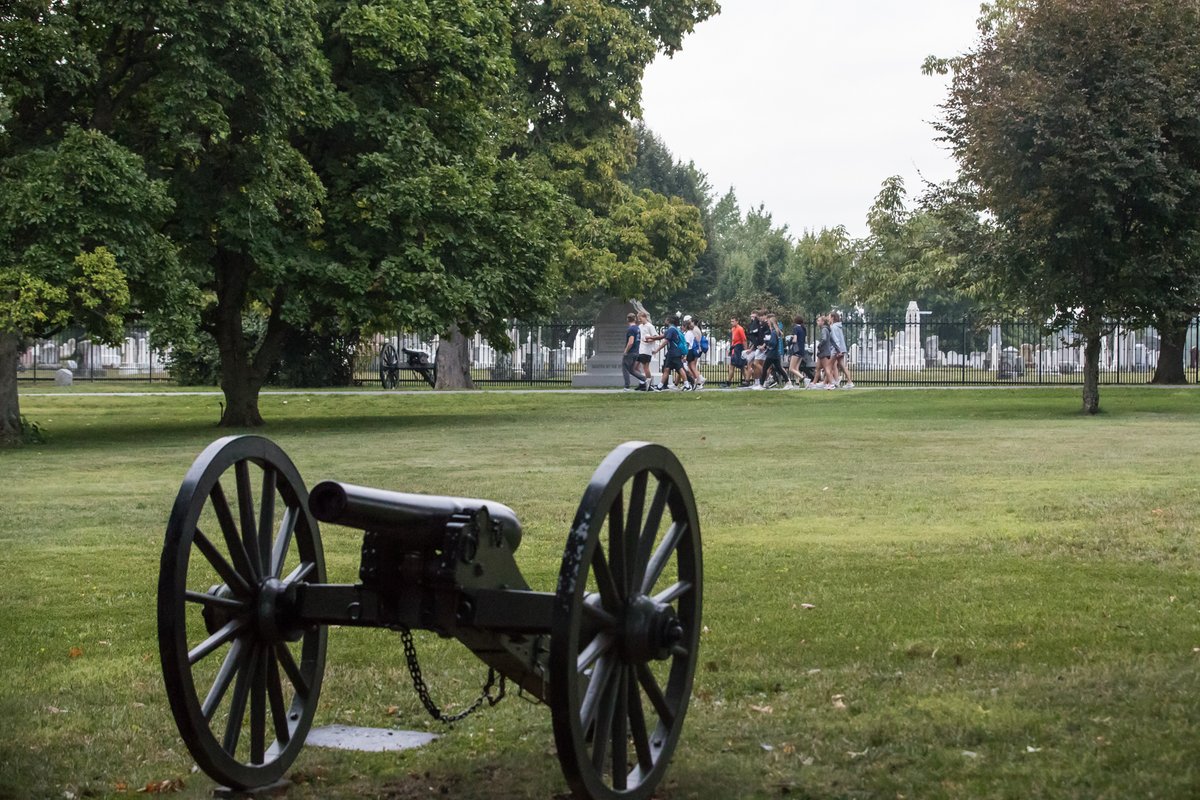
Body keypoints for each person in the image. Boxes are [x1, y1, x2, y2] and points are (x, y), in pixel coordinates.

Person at [651, 314, 689, 391]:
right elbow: (661, 336)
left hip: (673, 352)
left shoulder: (671, 329)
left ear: (669, 321)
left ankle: (687, 386)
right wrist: (650, 338)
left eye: (666, 319)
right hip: (674, 352)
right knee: (667, 369)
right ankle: (660, 386)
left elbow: (666, 341)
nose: (665, 321)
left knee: (679, 369)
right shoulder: (673, 329)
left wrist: (657, 350)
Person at [621, 312, 646, 390]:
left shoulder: (630, 329)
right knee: (632, 370)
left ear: (627, 319)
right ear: (635, 319)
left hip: (630, 352)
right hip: (636, 352)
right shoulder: (638, 329)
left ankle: (626, 386)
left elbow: (631, 342)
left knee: (625, 368)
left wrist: (626, 351)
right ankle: (644, 379)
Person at [829, 311, 854, 388]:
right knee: (842, 365)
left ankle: (831, 383)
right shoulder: (839, 327)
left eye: (829, 317)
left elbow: (836, 339)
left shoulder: (833, 327)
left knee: (828, 366)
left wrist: (838, 350)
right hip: (842, 349)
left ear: (832, 318)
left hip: (836, 349)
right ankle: (849, 382)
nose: (828, 318)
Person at [788, 314, 814, 388]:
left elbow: (795, 340)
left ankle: (804, 378)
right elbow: (805, 340)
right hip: (802, 350)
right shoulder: (803, 329)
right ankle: (797, 383)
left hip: (796, 350)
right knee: (796, 368)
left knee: (791, 368)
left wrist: (791, 339)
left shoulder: (795, 328)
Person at [637, 310, 657, 387]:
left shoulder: (650, 326)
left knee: (645, 367)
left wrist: (648, 340)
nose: (639, 319)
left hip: (646, 350)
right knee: (635, 367)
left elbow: (655, 337)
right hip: (640, 349)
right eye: (638, 318)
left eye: (640, 318)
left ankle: (649, 383)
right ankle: (642, 382)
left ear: (644, 317)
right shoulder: (640, 326)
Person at [683, 316, 704, 389]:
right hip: (693, 349)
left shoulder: (691, 332)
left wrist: (685, 355)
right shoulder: (694, 330)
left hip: (691, 350)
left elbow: (691, 342)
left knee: (692, 367)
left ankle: (698, 381)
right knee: (691, 367)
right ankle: (696, 381)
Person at [728, 315, 747, 386]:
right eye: (731, 321)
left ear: (737, 321)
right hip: (734, 348)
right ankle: (728, 382)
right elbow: (733, 340)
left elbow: (744, 339)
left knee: (741, 366)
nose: (731, 323)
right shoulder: (733, 329)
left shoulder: (740, 329)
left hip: (739, 348)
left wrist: (745, 350)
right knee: (732, 365)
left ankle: (746, 381)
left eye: (733, 321)